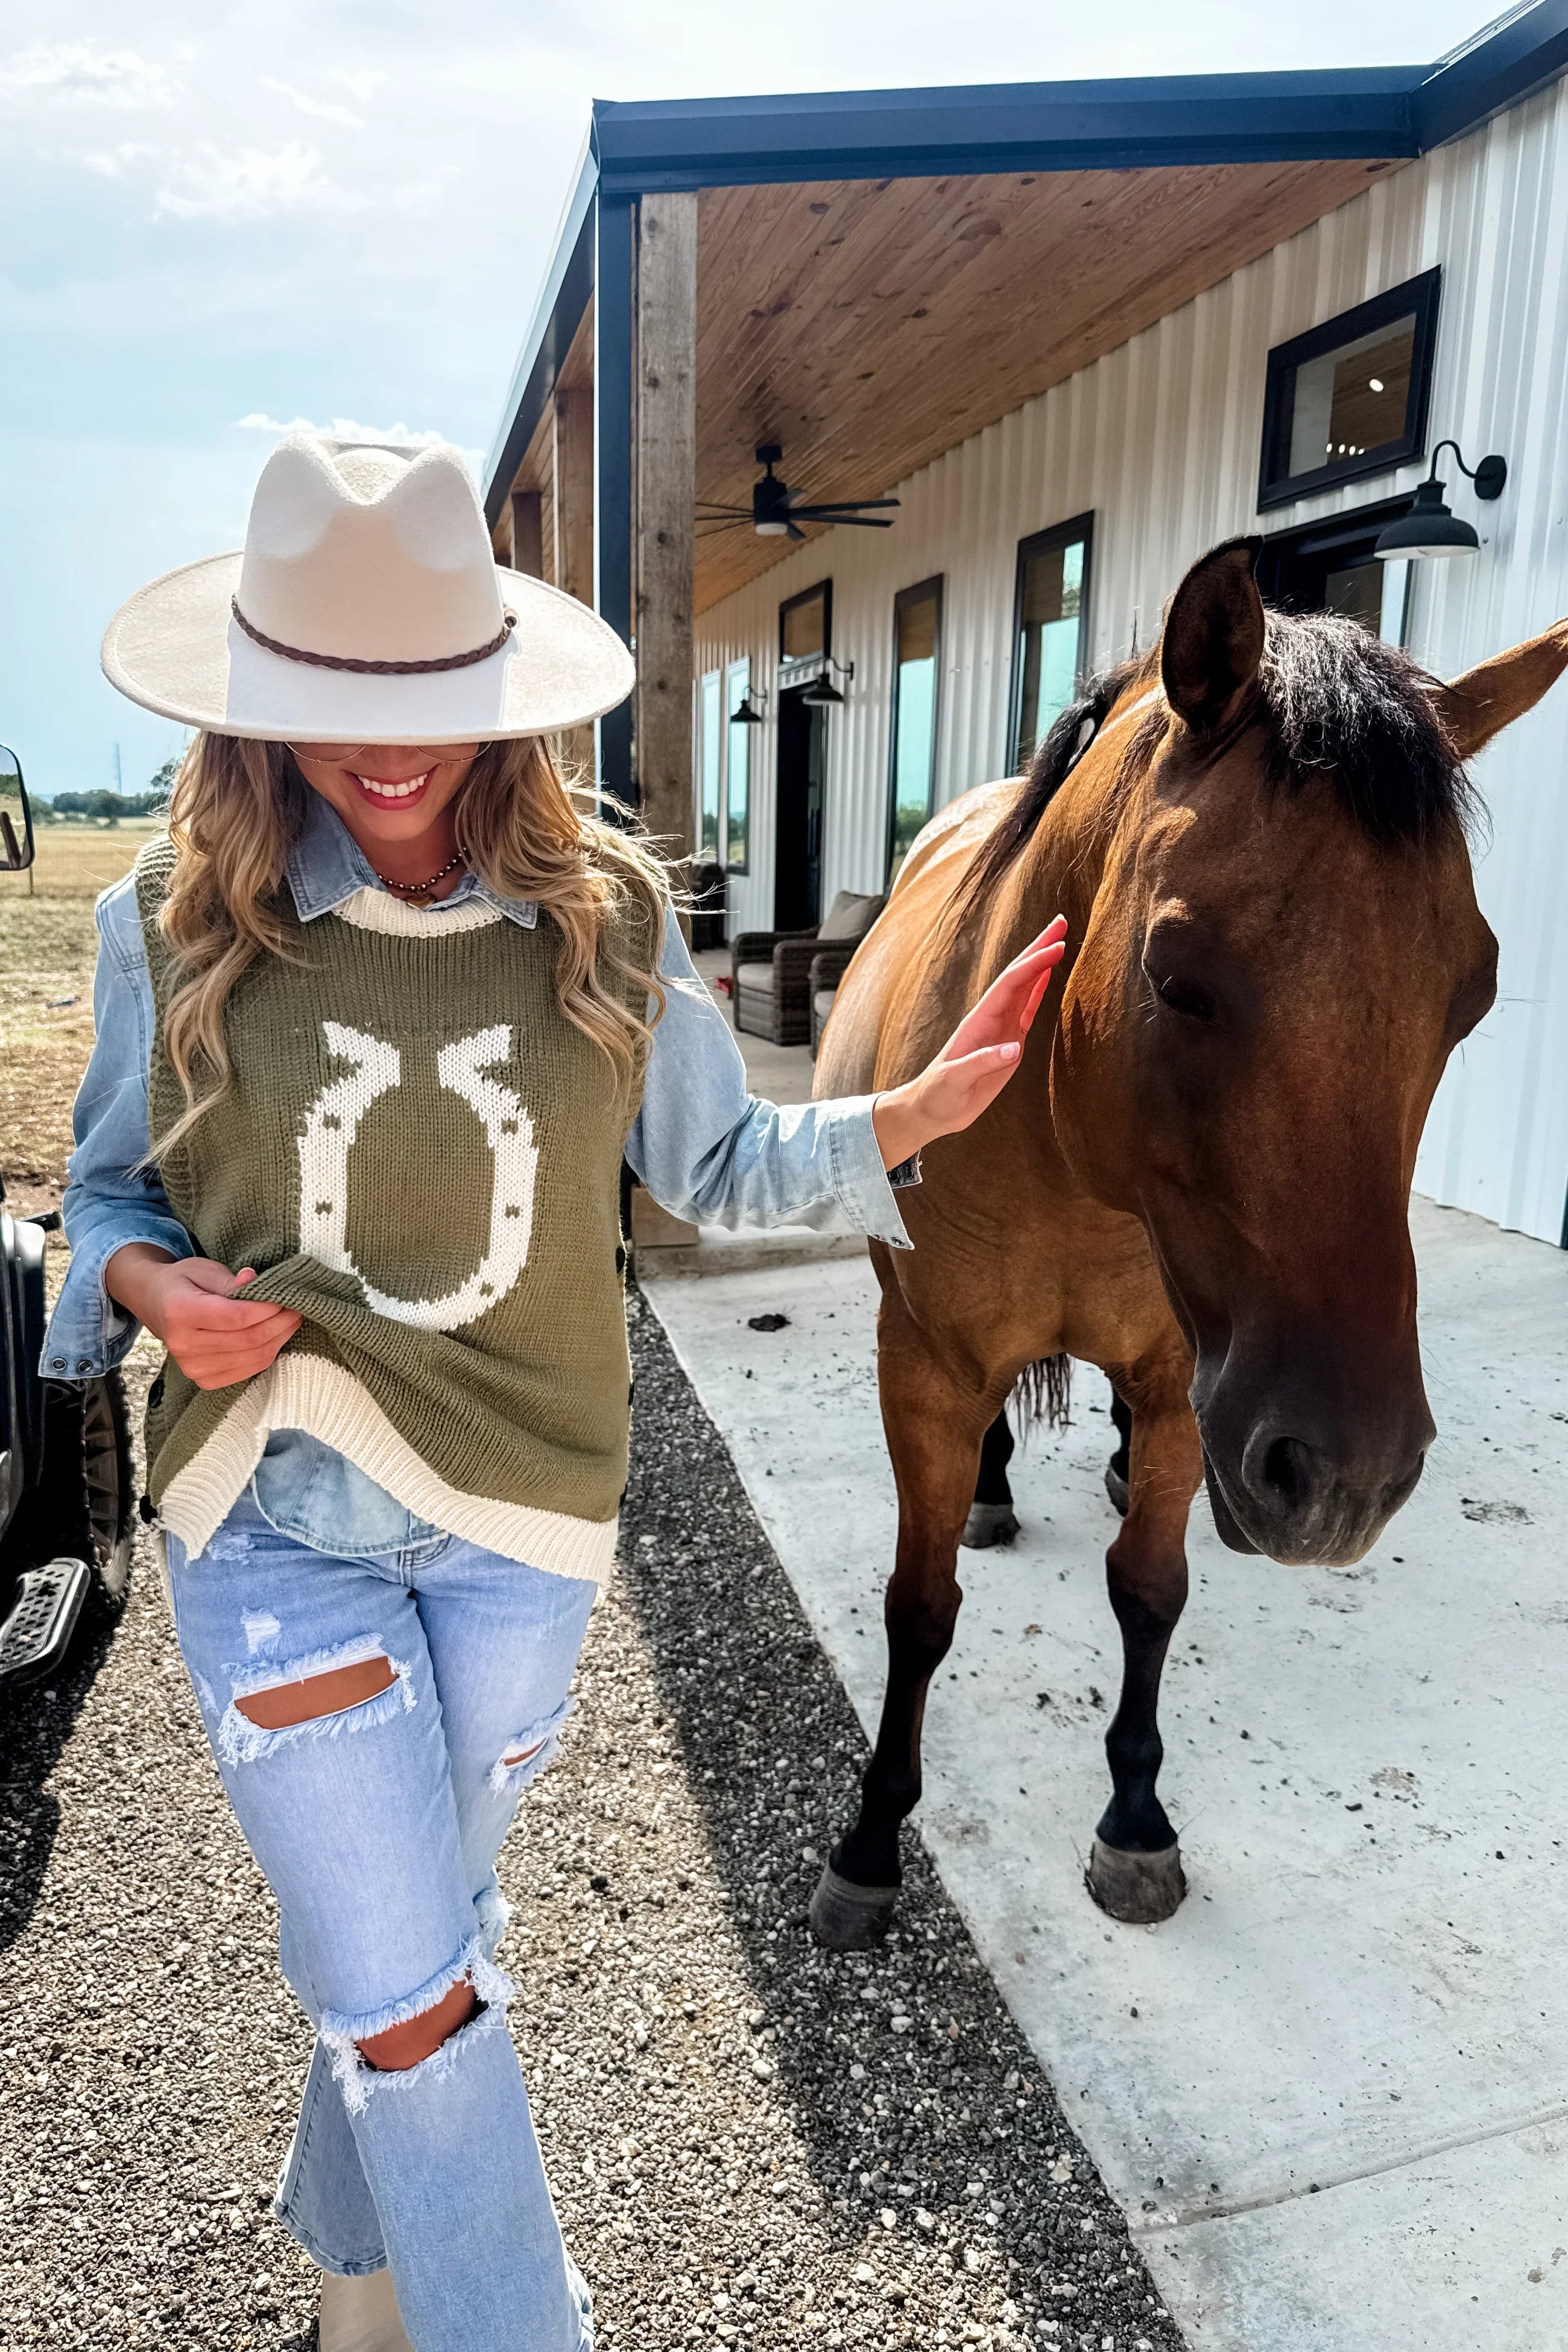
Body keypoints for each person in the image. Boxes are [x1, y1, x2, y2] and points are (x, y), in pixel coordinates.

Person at [43, 432, 1066, 2352]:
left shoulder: (603, 914)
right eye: (332, 708)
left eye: (424, 698)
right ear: (256, 705)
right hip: (276, 1518)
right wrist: (141, 1283)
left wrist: (908, 1119)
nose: (388, 751)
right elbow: (106, 1190)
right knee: (420, 1999)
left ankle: (358, 2292)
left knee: (424, 1948)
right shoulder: (165, 920)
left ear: (493, 684)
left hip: (525, 1528)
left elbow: (722, 1171)